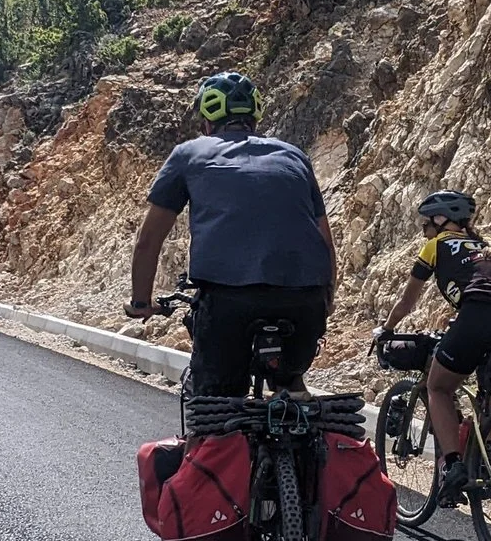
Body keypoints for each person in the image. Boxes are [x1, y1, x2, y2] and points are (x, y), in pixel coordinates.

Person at [127, 71, 336, 398]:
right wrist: (326, 299)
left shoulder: (188, 154)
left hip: (228, 302)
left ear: (207, 122)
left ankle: (211, 441)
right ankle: (299, 416)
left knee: (214, 405)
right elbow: (324, 238)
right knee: (292, 385)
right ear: (254, 118)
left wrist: (141, 302)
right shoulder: (294, 155)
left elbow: (149, 240)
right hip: (305, 301)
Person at [377, 189, 491, 501]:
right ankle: (484, 457)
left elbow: (408, 301)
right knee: (490, 388)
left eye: (427, 222)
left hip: (478, 316)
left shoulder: (435, 245)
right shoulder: (490, 245)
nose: (425, 229)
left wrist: (387, 328)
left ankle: (452, 465)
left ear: (441, 219)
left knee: (438, 387)